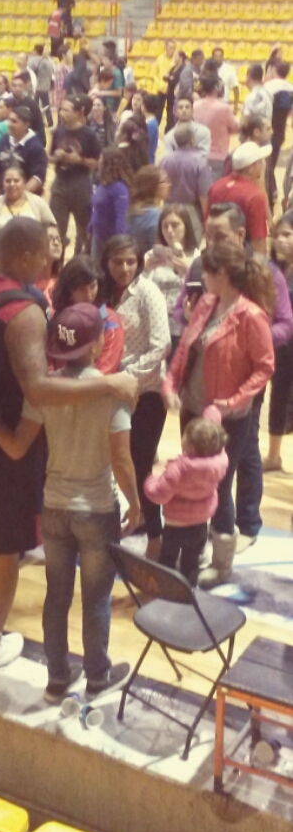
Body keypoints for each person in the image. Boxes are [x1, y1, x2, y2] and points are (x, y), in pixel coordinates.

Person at [0, 217, 138, 676]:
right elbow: (39, 390)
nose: (52, 262)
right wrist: (110, 384)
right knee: (5, 546)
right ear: (27, 255)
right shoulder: (25, 310)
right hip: (7, 442)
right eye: (47, 254)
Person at [0, 302, 139, 700]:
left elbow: (17, 446)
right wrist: (136, 504)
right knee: (96, 599)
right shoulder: (113, 391)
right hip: (97, 509)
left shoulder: (45, 390)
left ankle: (57, 678)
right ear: (97, 344)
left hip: (54, 506)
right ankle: (97, 676)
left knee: (56, 596)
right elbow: (121, 460)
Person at [164, 240, 275, 586]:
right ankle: (194, 548)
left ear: (223, 275)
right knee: (193, 482)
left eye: (208, 273)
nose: (202, 278)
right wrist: (171, 384)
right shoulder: (205, 303)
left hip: (227, 417)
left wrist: (235, 400)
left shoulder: (251, 315)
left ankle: (222, 560)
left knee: (219, 486)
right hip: (194, 407)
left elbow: (264, 366)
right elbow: (185, 348)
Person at [101, 234, 171, 560]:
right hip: (110, 390)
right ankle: (125, 520)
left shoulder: (148, 292)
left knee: (140, 468)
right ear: (106, 262)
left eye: (131, 261)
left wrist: (126, 375)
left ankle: (156, 536)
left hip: (146, 393)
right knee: (112, 463)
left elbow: (161, 346)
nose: (125, 268)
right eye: (118, 262)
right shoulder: (102, 291)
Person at [145, 407, 229, 585]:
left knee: (167, 558)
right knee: (191, 561)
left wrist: (150, 481)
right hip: (200, 523)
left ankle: (165, 586)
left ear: (188, 445)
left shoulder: (178, 469)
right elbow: (214, 431)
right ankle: (188, 588)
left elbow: (159, 495)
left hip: (175, 525)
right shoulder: (219, 462)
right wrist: (212, 411)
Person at [0, 163, 56, 268]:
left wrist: (47, 260)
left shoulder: (39, 204)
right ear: (2, 183)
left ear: (24, 183)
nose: (12, 184)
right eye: (8, 181)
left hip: (32, 268)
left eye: (16, 181)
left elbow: (53, 230)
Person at [51, 255, 125, 374]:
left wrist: (79, 382)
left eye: (92, 286)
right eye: (81, 289)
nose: (89, 294)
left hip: (96, 383)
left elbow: (106, 367)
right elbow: (49, 360)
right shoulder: (57, 318)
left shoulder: (110, 321)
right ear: (68, 289)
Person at [145, 204, 200, 356]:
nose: (169, 231)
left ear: (186, 227)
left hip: (183, 327)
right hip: (156, 327)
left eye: (175, 225)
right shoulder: (152, 256)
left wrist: (187, 271)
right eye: (165, 226)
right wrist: (145, 271)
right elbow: (143, 291)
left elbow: (200, 294)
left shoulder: (197, 259)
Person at [49, 96, 101, 255]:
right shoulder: (58, 131)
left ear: (78, 113)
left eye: (66, 110)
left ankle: (82, 261)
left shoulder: (89, 135)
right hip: (60, 182)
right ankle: (56, 265)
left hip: (81, 184)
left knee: (84, 230)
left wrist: (80, 160)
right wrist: (56, 157)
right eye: (61, 109)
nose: (61, 113)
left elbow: (97, 163)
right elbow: (50, 157)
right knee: (56, 229)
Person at [263, 212, 293, 472]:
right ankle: (273, 456)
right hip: (282, 343)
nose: (282, 240)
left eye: (288, 235)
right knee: (279, 393)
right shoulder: (272, 268)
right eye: (278, 234)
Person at [207, 141, 271, 254]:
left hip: (215, 253)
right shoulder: (255, 195)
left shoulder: (216, 186)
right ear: (250, 168)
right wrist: (261, 261)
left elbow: (207, 225)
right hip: (241, 255)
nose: (262, 166)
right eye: (259, 162)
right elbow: (259, 240)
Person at [159, 124, 213, 242]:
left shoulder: (164, 160)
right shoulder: (200, 161)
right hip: (190, 211)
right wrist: (206, 218)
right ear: (192, 140)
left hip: (168, 208)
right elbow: (204, 194)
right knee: (191, 246)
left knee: (169, 244)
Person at [89, 146, 132, 265]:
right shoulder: (103, 184)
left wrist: (119, 244)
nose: (99, 161)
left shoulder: (119, 189)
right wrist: (91, 226)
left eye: (101, 159)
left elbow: (121, 217)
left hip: (111, 242)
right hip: (98, 237)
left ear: (108, 164)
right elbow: (97, 209)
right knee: (95, 270)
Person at [193, 75, 238, 180]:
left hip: (198, 154)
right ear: (217, 87)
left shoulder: (195, 105)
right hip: (218, 157)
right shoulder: (224, 108)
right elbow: (235, 128)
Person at [0, 105, 48, 195]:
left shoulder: (36, 147)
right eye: (9, 120)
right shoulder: (4, 140)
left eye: (14, 121)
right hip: (4, 194)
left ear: (26, 125)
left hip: (26, 197)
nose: (9, 124)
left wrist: (19, 195)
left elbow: (38, 177)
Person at [127, 165, 171, 254]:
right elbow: (158, 251)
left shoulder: (134, 210)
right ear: (152, 186)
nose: (169, 184)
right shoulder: (155, 215)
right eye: (164, 181)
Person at [11, 73, 46, 146]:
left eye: (20, 86)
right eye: (14, 86)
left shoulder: (32, 105)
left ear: (24, 87)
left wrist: (41, 142)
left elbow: (39, 125)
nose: (17, 89)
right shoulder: (8, 103)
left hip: (28, 141)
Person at [151, 39, 177, 125]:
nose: (172, 50)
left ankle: (169, 129)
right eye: (170, 48)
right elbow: (153, 74)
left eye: (173, 48)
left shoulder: (175, 60)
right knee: (158, 112)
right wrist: (159, 83)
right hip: (160, 89)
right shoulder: (159, 59)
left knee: (170, 112)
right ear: (166, 47)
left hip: (171, 89)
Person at [29, 45, 55, 129]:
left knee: (34, 106)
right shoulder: (47, 61)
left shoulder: (32, 61)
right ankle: (50, 123)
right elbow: (53, 71)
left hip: (35, 87)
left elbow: (29, 73)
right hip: (45, 86)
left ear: (35, 51)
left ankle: (35, 122)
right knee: (46, 106)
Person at [142, 93, 160, 164]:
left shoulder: (150, 125)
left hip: (147, 160)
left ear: (144, 107)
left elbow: (146, 144)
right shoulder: (150, 122)